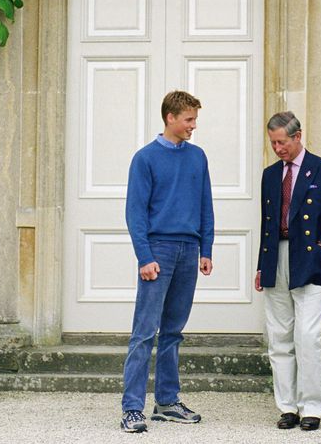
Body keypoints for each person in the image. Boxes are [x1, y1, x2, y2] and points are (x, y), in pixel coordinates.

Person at [120, 91, 215, 433]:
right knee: (144, 332)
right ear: (170, 118)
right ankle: (132, 409)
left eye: (195, 120)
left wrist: (206, 249)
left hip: (189, 250)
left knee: (173, 332)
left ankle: (166, 402)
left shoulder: (197, 157)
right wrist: (144, 256)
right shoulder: (145, 159)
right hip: (158, 251)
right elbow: (135, 212)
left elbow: (205, 205)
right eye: (189, 119)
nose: (193, 126)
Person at [255, 111, 321, 431]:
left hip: (311, 260)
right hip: (276, 259)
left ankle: (311, 407)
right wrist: (261, 266)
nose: (277, 148)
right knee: (279, 338)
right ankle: (287, 407)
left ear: (298, 136)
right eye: (273, 143)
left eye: (282, 142)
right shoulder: (270, 175)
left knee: (307, 337)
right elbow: (267, 225)